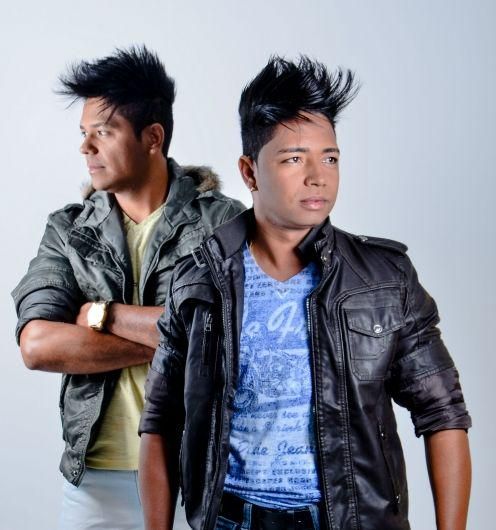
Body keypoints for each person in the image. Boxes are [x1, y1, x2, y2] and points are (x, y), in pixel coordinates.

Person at [138, 56, 472, 530]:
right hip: (232, 521)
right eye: (294, 158)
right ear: (250, 172)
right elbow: (159, 421)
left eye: (330, 158)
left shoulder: (385, 278)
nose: (318, 175)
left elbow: (443, 414)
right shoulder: (198, 280)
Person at [12, 45, 245, 529]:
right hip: (94, 482)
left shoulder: (223, 222)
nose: (86, 148)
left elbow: (239, 332)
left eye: (103, 131)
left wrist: (103, 315)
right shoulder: (69, 230)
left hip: (200, 474)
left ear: (152, 137)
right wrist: (179, 339)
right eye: (83, 133)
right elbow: (37, 345)